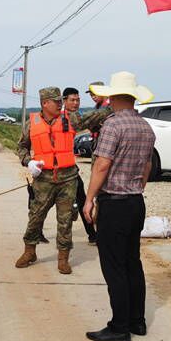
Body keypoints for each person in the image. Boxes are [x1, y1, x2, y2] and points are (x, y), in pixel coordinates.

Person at [82, 72, 155, 341]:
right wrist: (138, 186)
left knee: (114, 266)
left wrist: (89, 199)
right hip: (136, 201)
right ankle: (137, 320)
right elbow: (147, 166)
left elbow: (102, 164)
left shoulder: (113, 125)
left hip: (115, 202)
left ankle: (119, 327)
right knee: (132, 262)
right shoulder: (145, 127)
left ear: (111, 97)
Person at [14, 87, 78, 275]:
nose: (60, 104)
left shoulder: (70, 119)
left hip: (68, 178)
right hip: (43, 179)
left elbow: (95, 118)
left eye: (61, 101)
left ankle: (63, 259)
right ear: (45, 103)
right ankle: (30, 252)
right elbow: (21, 147)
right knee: (35, 216)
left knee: (65, 220)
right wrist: (29, 162)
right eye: (56, 101)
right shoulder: (31, 124)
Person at [62, 87, 97, 244]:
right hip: (52, 168)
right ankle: (36, 232)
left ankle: (92, 235)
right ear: (64, 101)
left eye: (78, 100)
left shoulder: (74, 116)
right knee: (43, 203)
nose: (75, 103)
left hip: (70, 168)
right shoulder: (58, 117)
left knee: (82, 199)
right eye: (72, 100)